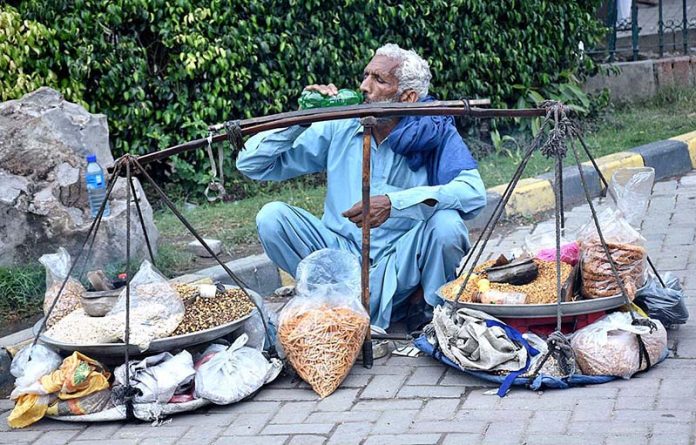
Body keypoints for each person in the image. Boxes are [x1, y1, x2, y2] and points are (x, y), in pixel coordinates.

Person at [236, 43, 487, 330]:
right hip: (336, 260)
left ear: (407, 97)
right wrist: (301, 118)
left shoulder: (434, 130)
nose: (363, 86)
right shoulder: (340, 124)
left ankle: (425, 307)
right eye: (366, 75)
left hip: (399, 264)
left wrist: (395, 203)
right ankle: (331, 307)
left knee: (447, 225)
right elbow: (252, 165)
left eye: (378, 80)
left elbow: (473, 193)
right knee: (272, 217)